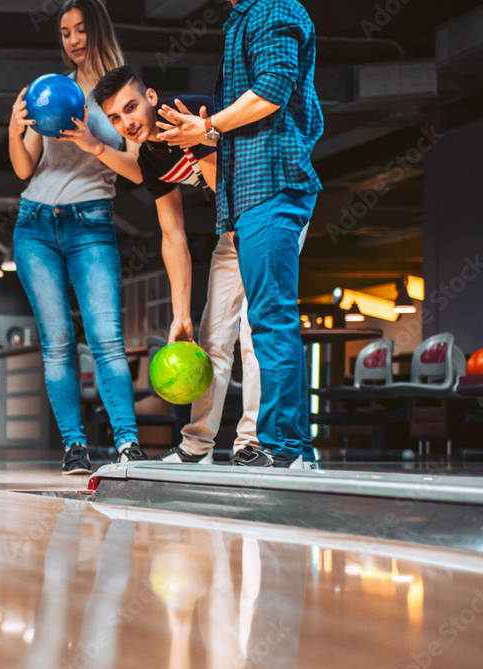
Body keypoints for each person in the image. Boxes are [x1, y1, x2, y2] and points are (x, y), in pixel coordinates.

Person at [156, 0, 322, 469]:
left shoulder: (273, 9)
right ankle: (273, 444)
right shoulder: (241, 19)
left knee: (270, 321)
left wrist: (207, 124)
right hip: (249, 198)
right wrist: (207, 135)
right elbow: (250, 120)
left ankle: (287, 448)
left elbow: (271, 92)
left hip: (274, 186)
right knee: (263, 322)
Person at [94, 65, 261, 466]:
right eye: (114, 117)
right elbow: (173, 235)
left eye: (130, 107)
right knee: (211, 335)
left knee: (255, 333)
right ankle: (197, 446)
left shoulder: (188, 112)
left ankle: (254, 443)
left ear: (151, 97)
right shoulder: (151, 158)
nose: (126, 123)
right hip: (232, 228)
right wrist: (179, 314)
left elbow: (225, 187)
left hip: (265, 216)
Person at [8, 0, 147, 475]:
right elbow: (24, 167)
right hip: (36, 225)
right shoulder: (52, 90)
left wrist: (93, 143)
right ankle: (75, 447)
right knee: (58, 342)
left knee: (106, 338)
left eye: (81, 29)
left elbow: (134, 170)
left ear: (98, 29)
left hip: (91, 222)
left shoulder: (122, 93)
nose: (72, 40)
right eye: (65, 32)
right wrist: (14, 126)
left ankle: (128, 443)